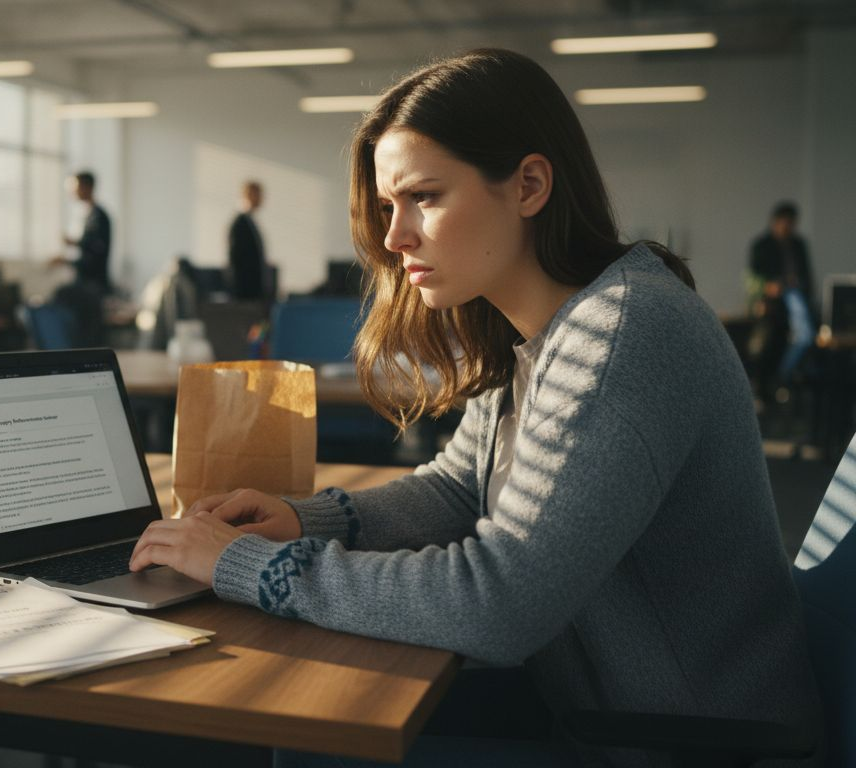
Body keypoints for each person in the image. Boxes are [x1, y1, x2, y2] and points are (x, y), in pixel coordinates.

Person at [129, 49, 821, 765]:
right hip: (594, 708)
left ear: (528, 185)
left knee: (312, 736)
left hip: (686, 743)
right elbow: (460, 488)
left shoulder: (622, 333)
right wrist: (305, 519)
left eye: (423, 197)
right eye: (389, 206)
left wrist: (252, 566)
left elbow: (498, 602)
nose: (395, 238)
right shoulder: (539, 330)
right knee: (302, 725)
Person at [747, 201, 816, 401]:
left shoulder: (798, 245)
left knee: (806, 337)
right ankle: (770, 384)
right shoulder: (761, 246)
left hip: (797, 298)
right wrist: (768, 289)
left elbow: (807, 277)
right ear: (775, 222)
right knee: (768, 344)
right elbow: (752, 280)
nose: (788, 228)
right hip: (772, 304)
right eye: (784, 222)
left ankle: (784, 377)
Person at [50, 170, 112, 293]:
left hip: (93, 283)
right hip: (84, 279)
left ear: (87, 187)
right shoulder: (87, 215)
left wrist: (68, 257)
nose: (72, 191)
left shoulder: (99, 217)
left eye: (75, 187)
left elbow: (96, 253)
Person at [227, 180, 266, 300]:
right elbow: (236, 259)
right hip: (245, 291)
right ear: (250, 195)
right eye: (258, 195)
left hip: (253, 290)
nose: (261, 199)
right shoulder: (240, 223)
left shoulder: (250, 222)